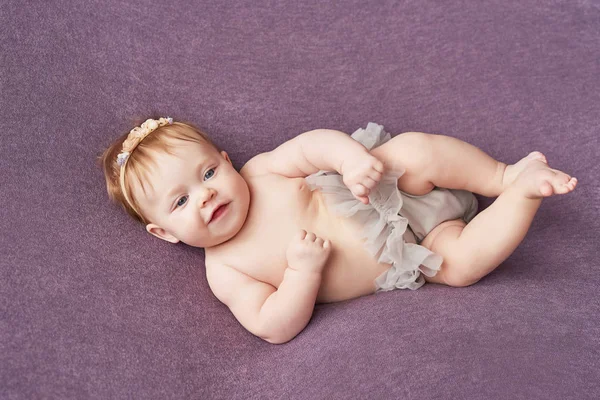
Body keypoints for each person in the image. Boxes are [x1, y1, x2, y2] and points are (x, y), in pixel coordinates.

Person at [100, 117, 578, 344]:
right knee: (460, 267)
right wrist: (302, 274)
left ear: (226, 161)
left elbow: (311, 147)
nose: (205, 195)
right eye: (181, 201)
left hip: (389, 189)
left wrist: (349, 160)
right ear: (164, 232)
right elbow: (271, 326)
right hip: (417, 252)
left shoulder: (261, 173)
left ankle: (502, 175)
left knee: (412, 154)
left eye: (207, 174)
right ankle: (524, 196)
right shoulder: (226, 269)